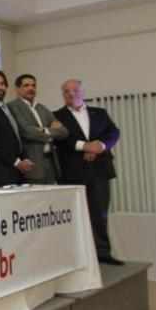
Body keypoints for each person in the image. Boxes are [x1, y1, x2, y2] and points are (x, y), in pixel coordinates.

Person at [54, 78, 124, 265]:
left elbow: (113, 133)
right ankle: (81, 256)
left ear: (83, 92)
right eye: (67, 91)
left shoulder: (99, 113)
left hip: (100, 171)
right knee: (76, 216)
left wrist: (99, 147)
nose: (72, 94)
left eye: (75, 90)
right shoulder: (56, 116)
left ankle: (102, 253)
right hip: (73, 173)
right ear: (63, 95)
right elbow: (60, 140)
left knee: (100, 213)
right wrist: (85, 146)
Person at [7, 73, 67, 184]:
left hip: (51, 164)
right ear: (17, 89)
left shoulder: (42, 108)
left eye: (33, 85)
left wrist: (44, 130)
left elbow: (63, 131)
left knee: (53, 200)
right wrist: (51, 134)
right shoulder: (13, 106)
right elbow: (27, 131)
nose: (31, 88)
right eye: (26, 85)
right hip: (32, 165)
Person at [0, 70, 33, 185]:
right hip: (0, 174)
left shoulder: (6, 108)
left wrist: (23, 159)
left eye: (2, 84)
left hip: (13, 171)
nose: (0, 87)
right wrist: (17, 162)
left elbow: (15, 137)